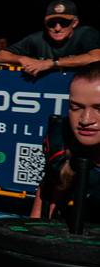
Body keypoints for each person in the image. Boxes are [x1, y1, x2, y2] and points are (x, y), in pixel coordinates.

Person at [32, 63, 100, 227]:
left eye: (99, 108)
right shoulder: (64, 141)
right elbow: (37, 224)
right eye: (75, 107)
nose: (85, 120)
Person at [0, 0, 100, 77]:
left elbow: (96, 57)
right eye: (52, 23)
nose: (57, 28)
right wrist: (22, 59)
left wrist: (51, 63)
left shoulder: (85, 33)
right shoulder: (37, 38)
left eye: (64, 23)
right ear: (45, 23)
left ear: (75, 23)